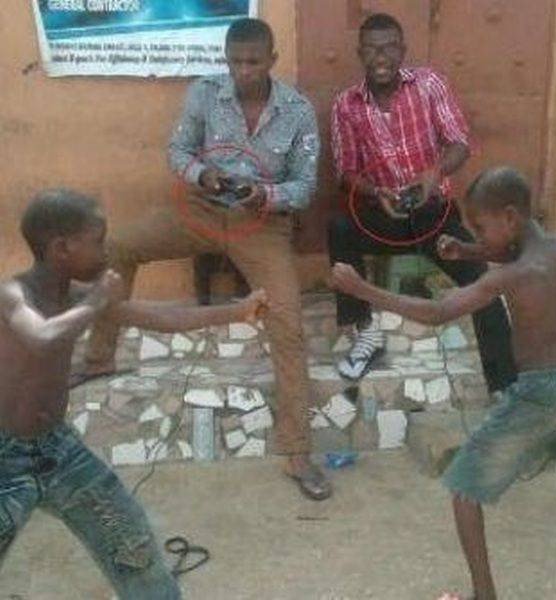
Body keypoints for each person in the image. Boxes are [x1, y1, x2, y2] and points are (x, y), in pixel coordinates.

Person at [331, 167, 556, 600]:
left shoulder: (508, 276)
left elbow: (439, 313)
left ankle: (484, 594)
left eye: (481, 228)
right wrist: (468, 250)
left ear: (509, 217)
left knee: (464, 490)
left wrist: (363, 290)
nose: (478, 236)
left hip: (538, 397)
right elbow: (519, 253)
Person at [73, 17, 331, 500]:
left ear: (272, 61)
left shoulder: (297, 110)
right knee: (118, 248)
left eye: (253, 62)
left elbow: (304, 186)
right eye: (235, 62)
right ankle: (99, 358)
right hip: (201, 210)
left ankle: (297, 452)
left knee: (288, 322)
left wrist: (266, 194)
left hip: (262, 224)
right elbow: (178, 150)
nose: (243, 71)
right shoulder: (205, 93)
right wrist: (202, 175)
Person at [0, 189, 267, 599]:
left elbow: (160, 317)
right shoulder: (12, 295)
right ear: (61, 248)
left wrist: (237, 311)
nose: (106, 252)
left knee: (134, 552)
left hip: (59, 452)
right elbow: (42, 337)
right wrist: (97, 302)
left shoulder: (75, 297)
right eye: (98, 241)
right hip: (5, 459)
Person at [328, 13, 516, 394]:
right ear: (360, 53)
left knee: (484, 285)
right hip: (383, 214)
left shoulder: (429, 84)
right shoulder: (346, 105)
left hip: (434, 217)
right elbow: (345, 172)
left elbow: (460, 143)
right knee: (339, 228)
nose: (381, 57)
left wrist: (433, 174)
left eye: (389, 47)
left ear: (403, 50)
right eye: (372, 49)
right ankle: (366, 333)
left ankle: (504, 385)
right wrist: (376, 193)